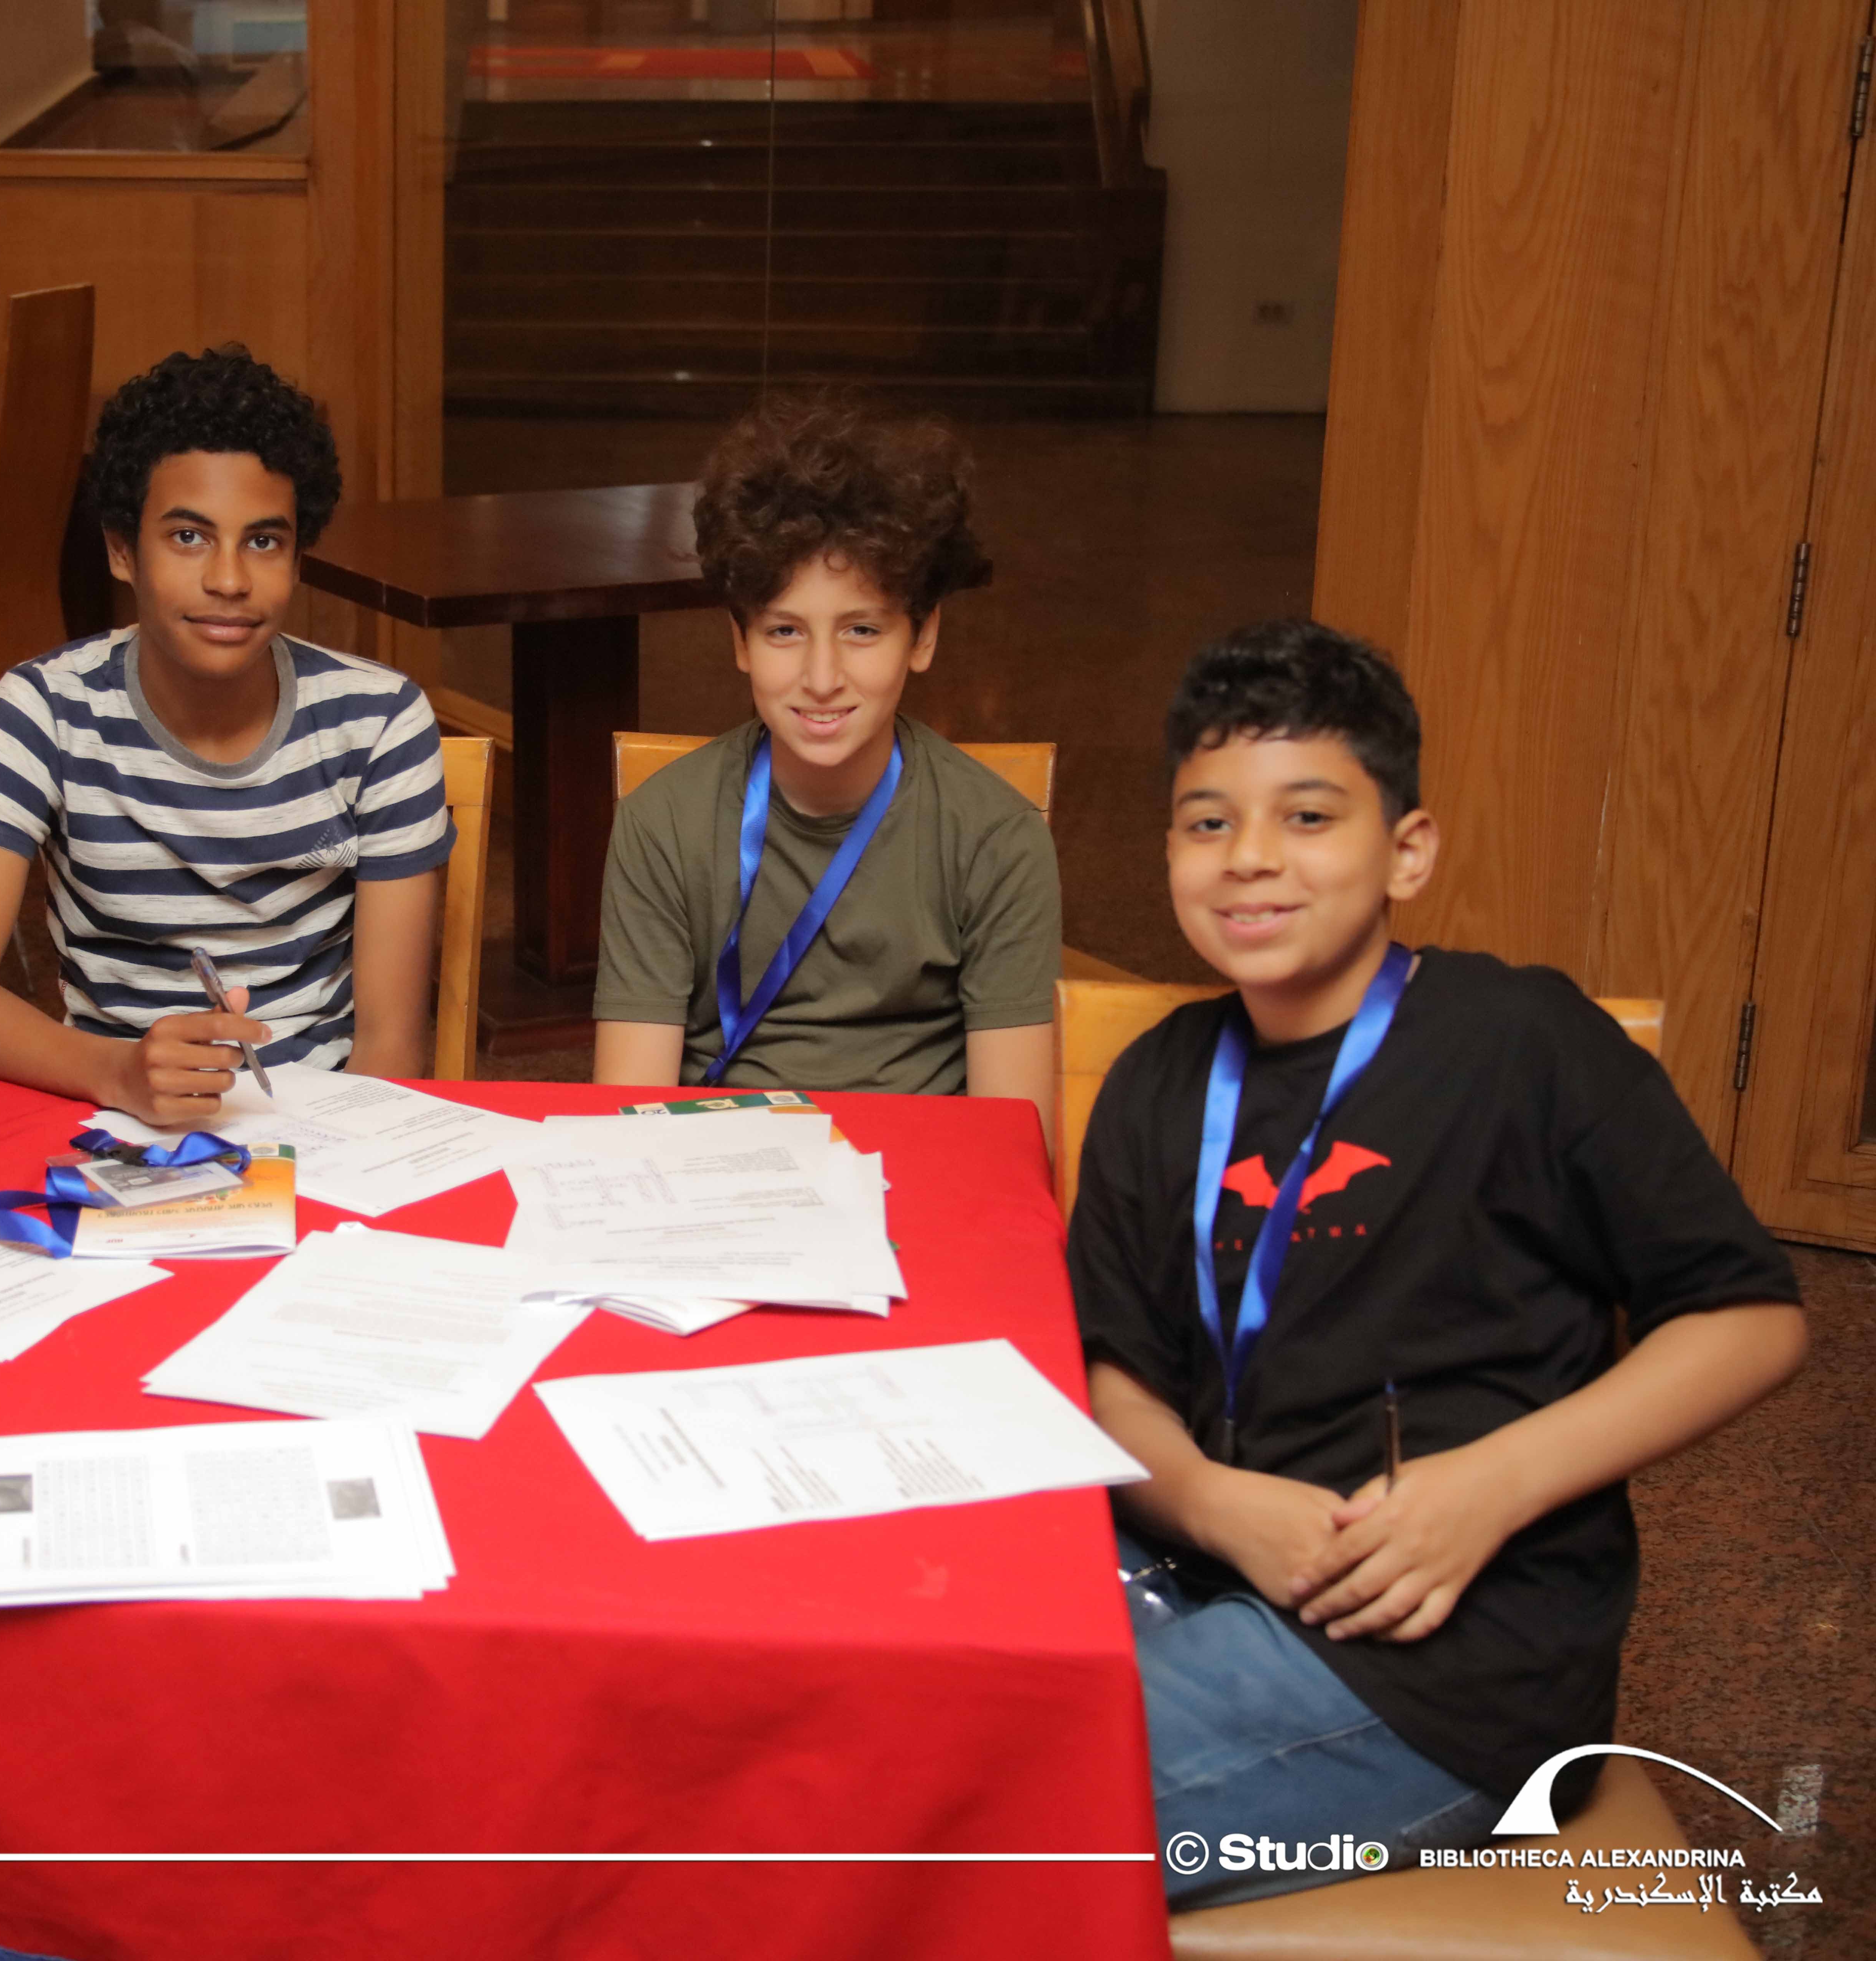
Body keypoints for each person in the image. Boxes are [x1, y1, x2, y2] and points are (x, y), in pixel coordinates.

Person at [1069, 619, 1807, 1907]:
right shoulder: (1157, 1081)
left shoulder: (1522, 1041)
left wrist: (1491, 1485)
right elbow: (1115, 1371)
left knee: (981, 1807)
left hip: (1433, 1662)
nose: (1251, 857)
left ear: (1408, 851)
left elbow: (1752, 1319)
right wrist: (1208, 1500)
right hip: (1203, 1560)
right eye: (1208, 823)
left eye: (1308, 817)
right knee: (901, 1690)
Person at [0, 345, 453, 1123]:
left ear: (298, 558)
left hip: (326, 1122)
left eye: (263, 541)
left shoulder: (379, 721)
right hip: (107, 1112)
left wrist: (330, 1162)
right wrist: (119, 1074)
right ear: (122, 550)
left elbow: (390, 1046)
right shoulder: (45, 712)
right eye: (189, 537)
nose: (229, 580)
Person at [589, 394, 1060, 1143]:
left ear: (923, 636)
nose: (821, 678)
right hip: (717, 1169)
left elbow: (1013, 1142)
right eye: (784, 631)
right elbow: (630, 1121)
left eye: (862, 630)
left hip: (919, 1175)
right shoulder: (665, 824)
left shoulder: (996, 840)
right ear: (740, 642)